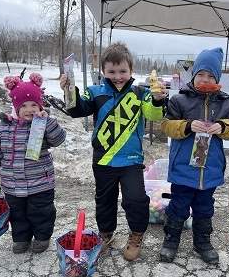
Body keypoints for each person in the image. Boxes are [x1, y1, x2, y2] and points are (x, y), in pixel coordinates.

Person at [59, 41, 167, 261]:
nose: (117, 76)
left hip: (131, 161)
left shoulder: (141, 93)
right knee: (104, 200)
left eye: (123, 71)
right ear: (103, 71)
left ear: (131, 70)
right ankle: (106, 233)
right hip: (103, 160)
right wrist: (69, 89)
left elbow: (154, 115)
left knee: (136, 200)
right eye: (112, 71)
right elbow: (76, 110)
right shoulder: (94, 92)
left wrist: (157, 99)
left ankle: (136, 235)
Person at [160, 47, 229, 264]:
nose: (205, 80)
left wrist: (222, 127)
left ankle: (202, 241)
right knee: (179, 203)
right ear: (193, 76)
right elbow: (166, 125)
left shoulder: (225, 102)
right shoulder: (179, 100)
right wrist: (187, 126)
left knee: (205, 206)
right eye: (201, 75)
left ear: (218, 78)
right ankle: (171, 239)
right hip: (184, 168)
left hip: (210, 169)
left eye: (211, 75)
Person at [0, 73, 66, 254]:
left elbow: (58, 139)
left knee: (41, 212)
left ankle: (42, 237)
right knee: (17, 214)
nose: (29, 109)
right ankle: (21, 239)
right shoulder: (3, 127)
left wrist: (47, 121)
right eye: (24, 105)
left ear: (40, 105)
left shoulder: (42, 124)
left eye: (34, 105)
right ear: (15, 106)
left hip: (40, 183)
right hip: (12, 184)